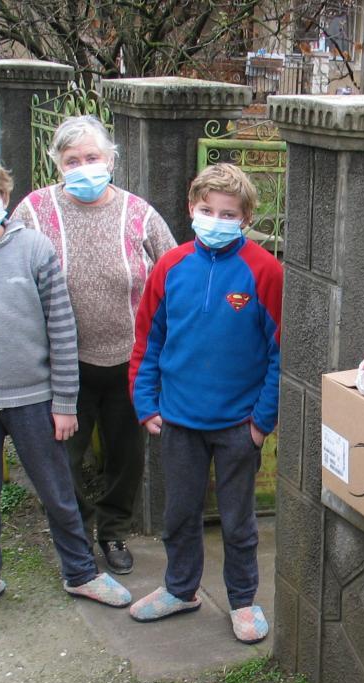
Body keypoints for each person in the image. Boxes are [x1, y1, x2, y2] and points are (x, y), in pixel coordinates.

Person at [0, 150, 132, 620]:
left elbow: (61, 329)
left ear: (5, 197)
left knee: (59, 492)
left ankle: (81, 573)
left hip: (35, 400)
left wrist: (64, 401)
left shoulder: (34, 250)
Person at [14, 116, 177, 574]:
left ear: (110, 159)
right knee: (62, 457)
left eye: (92, 157)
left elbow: (174, 269)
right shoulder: (34, 210)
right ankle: (76, 533)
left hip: (130, 361)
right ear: (57, 164)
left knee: (126, 458)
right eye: (72, 160)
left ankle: (113, 532)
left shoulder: (138, 213)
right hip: (63, 366)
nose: (84, 167)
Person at [128, 163, 281, 644]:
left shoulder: (265, 271)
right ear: (191, 209)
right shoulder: (170, 267)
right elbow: (148, 339)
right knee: (179, 514)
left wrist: (260, 423)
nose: (216, 219)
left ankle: (242, 600)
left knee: (238, 521)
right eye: (206, 210)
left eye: (228, 213)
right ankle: (180, 589)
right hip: (178, 420)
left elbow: (282, 353)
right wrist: (145, 402)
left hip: (238, 425)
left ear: (246, 218)